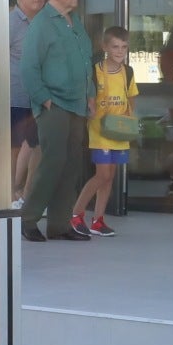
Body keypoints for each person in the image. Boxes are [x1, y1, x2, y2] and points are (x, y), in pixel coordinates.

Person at [19, 0, 92, 241]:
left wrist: (91, 94)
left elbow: (86, 60)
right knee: (53, 161)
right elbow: (28, 67)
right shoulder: (41, 24)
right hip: (54, 104)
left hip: (77, 104)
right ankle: (28, 219)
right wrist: (44, 98)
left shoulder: (75, 22)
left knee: (71, 163)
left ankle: (60, 225)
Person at [71, 27, 137, 238]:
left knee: (110, 177)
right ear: (105, 47)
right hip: (100, 130)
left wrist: (129, 115)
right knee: (102, 174)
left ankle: (98, 220)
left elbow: (131, 96)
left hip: (118, 129)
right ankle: (76, 214)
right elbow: (87, 97)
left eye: (124, 47)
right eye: (115, 46)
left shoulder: (127, 72)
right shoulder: (95, 71)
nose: (120, 51)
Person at [8, 0, 46, 198]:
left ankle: (27, 195)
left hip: (38, 97)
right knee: (14, 148)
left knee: (37, 145)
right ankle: (10, 195)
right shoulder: (10, 22)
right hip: (15, 96)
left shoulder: (42, 23)